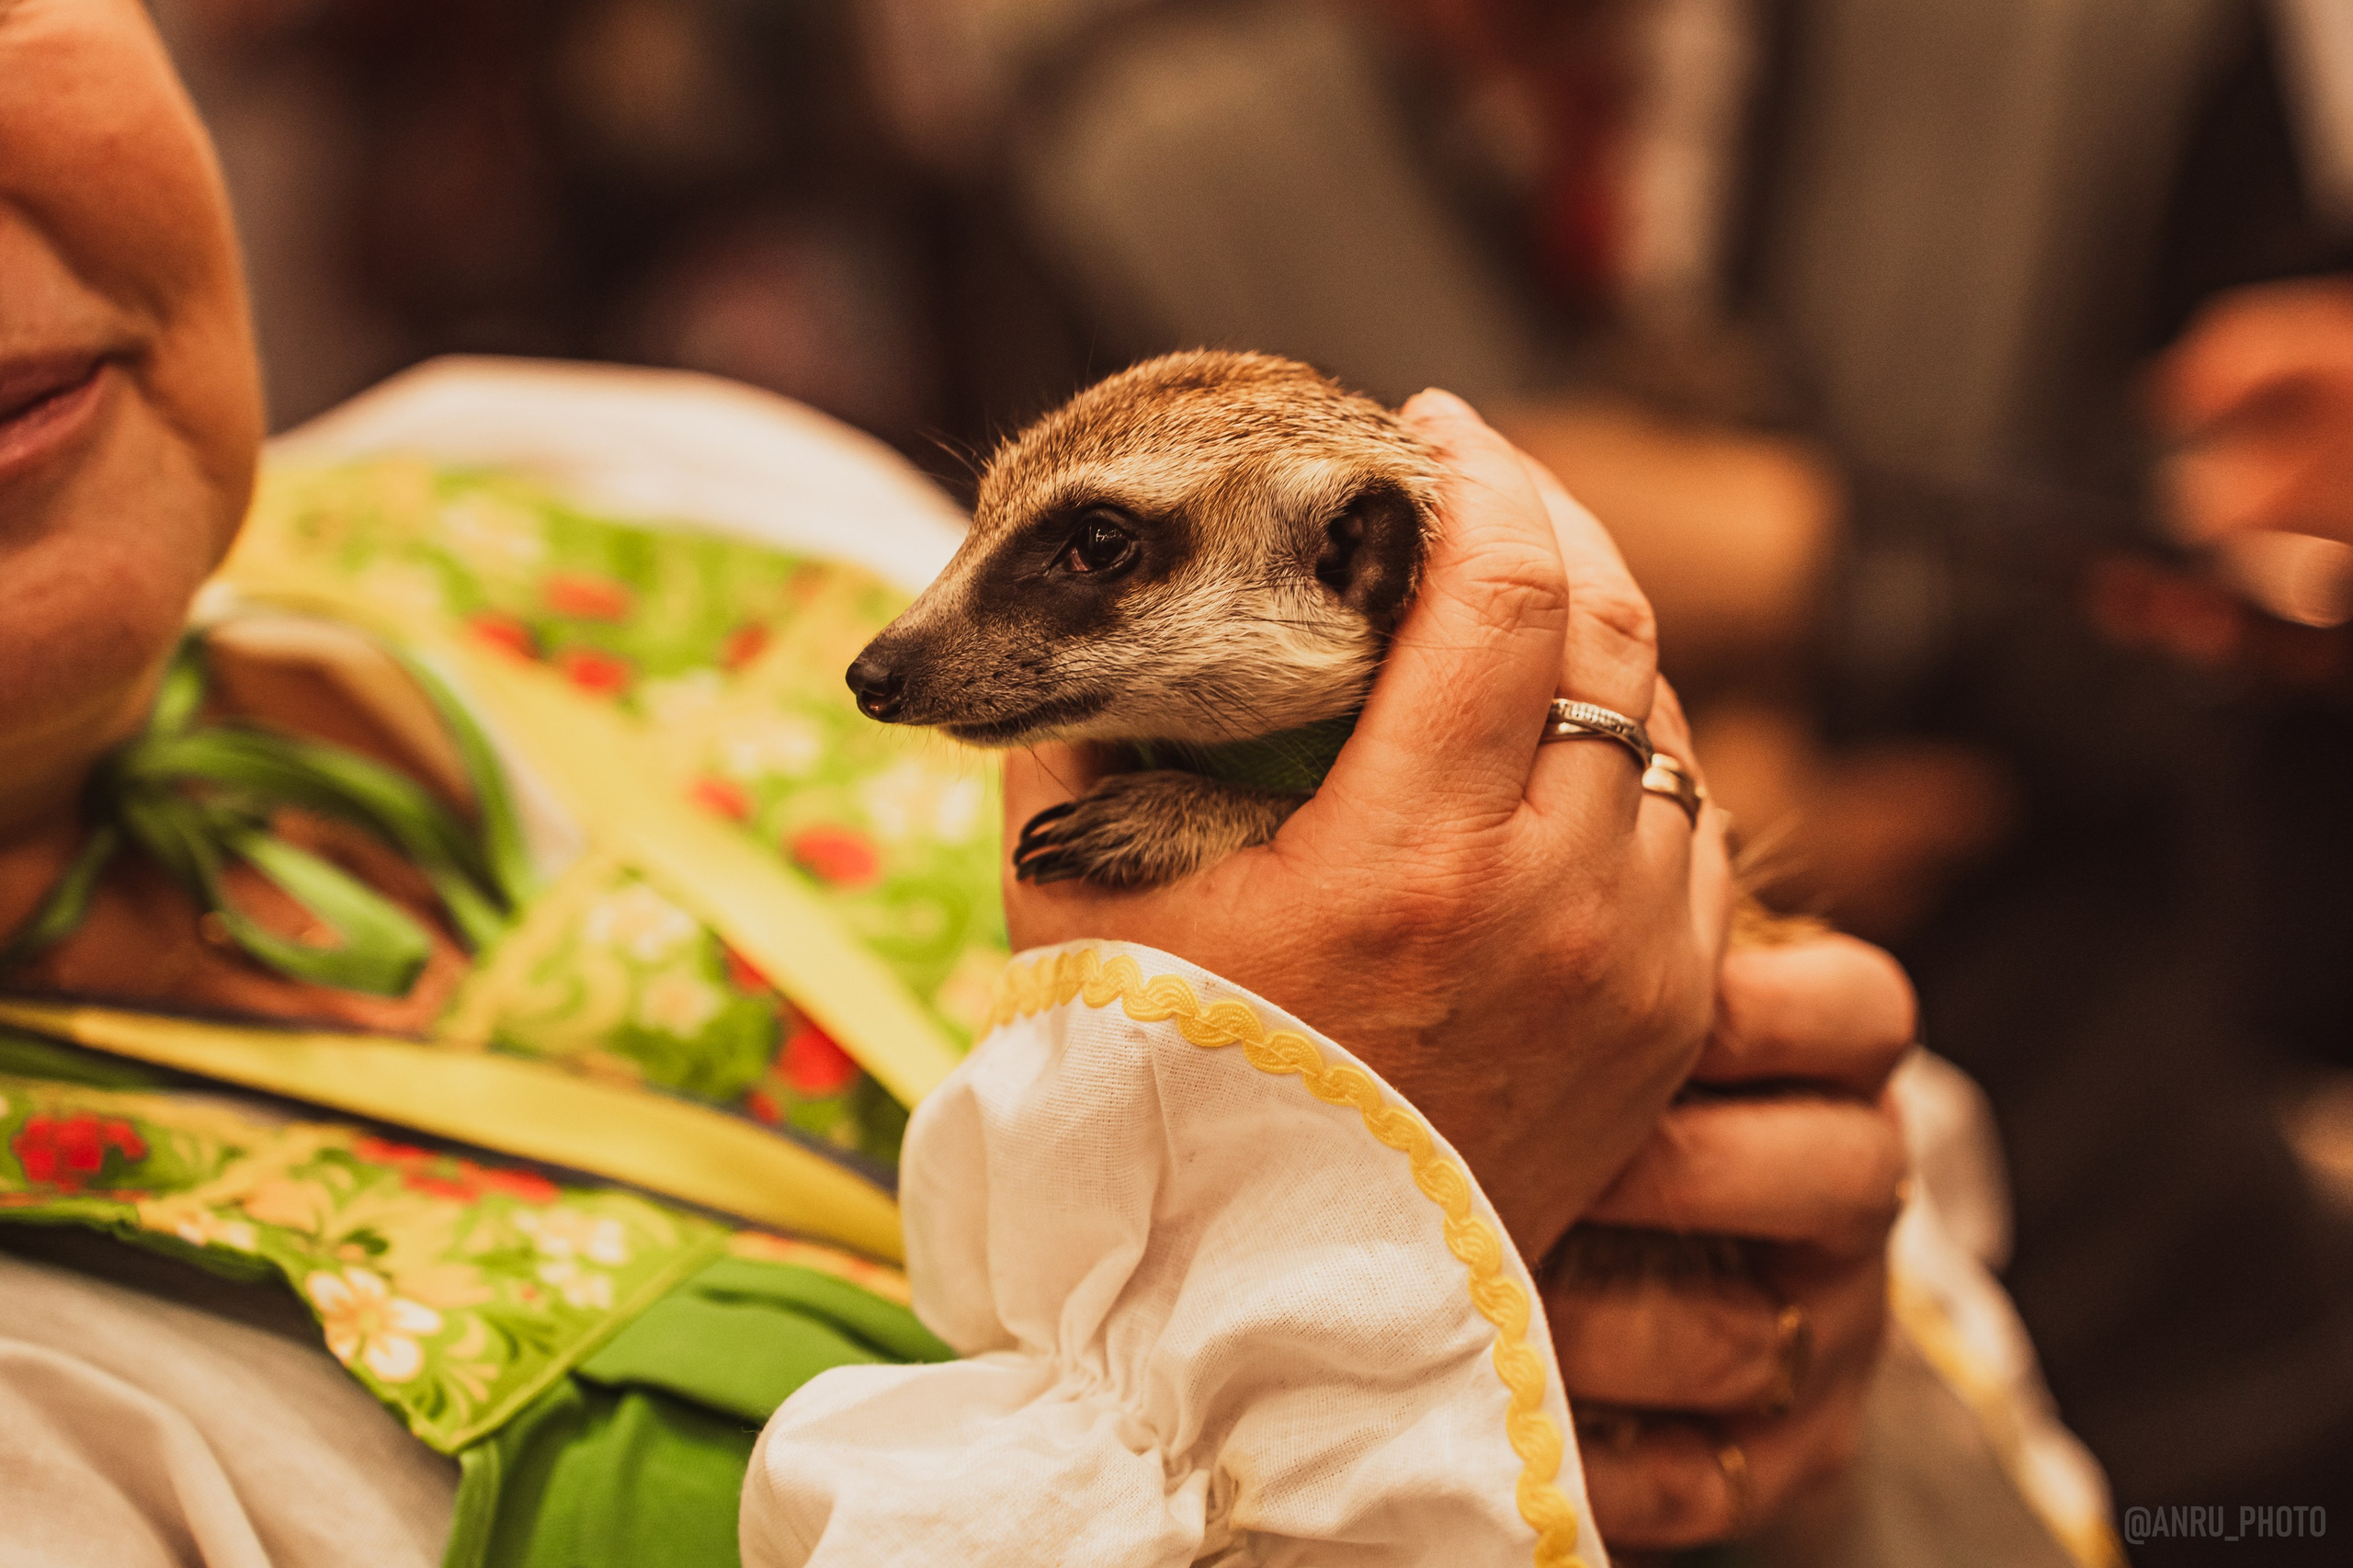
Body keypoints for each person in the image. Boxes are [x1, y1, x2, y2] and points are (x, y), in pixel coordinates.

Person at [0, 3, 2095, 1564]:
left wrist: (1766, 1374)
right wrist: (1319, 1230)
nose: (908, 661)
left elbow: (1896, 1307)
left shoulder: (587, 471)